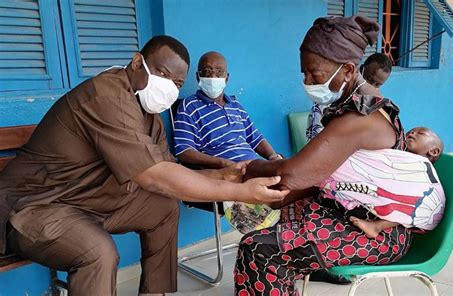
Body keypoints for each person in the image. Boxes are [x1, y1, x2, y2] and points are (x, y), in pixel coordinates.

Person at [0, 35, 288, 296]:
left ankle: (154, 293)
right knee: (97, 251)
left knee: (163, 208)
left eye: (176, 83)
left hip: (89, 203)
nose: (169, 87)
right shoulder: (106, 94)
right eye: (163, 73)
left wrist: (224, 176)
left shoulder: (148, 115)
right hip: (35, 207)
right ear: (137, 62)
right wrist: (239, 193)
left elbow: (168, 171)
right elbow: (154, 177)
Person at [234, 15, 415, 295]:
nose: (307, 81)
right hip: (350, 214)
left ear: (347, 70)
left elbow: (296, 173)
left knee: (258, 250)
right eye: (304, 73)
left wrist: (247, 169)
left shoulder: (360, 118)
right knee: (285, 212)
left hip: (378, 232)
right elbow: (317, 174)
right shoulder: (359, 104)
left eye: (315, 74)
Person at [173, 51, 283, 233]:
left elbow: (255, 138)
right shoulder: (189, 107)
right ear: (197, 76)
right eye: (207, 72)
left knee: (286, 178)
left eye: (218, 72)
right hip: (225, 173)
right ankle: (264, 240)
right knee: (266, 199)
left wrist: (273, 156)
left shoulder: (236, 106)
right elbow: (184, 151)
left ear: (227, 77)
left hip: (253, 167)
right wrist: (222, 163)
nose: (213, 77)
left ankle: (282, 236)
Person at [322, 127, 445, 239]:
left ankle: (377, 226)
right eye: (411, 131)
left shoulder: (422, 168)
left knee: (413, 206)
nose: (412, 132)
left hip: (408, 203)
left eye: (421, 133)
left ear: (433, 151)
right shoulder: (395, 152)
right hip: (379, 196)